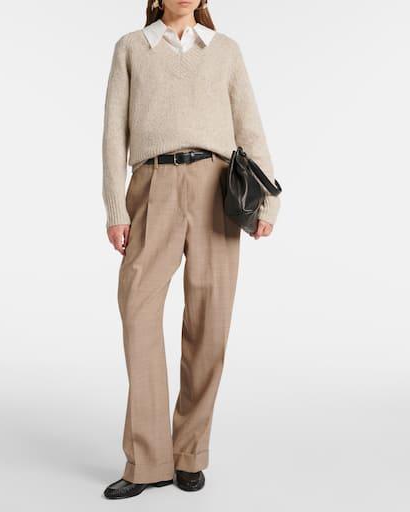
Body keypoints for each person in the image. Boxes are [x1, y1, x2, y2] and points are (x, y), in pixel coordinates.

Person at [101, 0, 280, 500]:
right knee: (138, 314)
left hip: (215, 188)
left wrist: (268, 199)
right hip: (152, 184)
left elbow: (249, 125)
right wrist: (116, 208)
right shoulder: (131, 48)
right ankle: (147, 460)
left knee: (209, 322)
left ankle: (189, 454)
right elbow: (114, 133)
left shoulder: (225, 51)